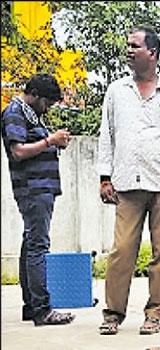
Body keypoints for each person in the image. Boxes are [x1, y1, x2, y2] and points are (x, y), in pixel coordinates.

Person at [97, 27, 160, 335]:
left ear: (152, 54)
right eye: (128, 45)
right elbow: (107, 136)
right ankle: (113, 313)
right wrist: (105, 177)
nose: (129, 50)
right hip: (126, 186)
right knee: (121, 252)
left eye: (135, 46)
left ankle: (155, 314)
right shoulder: (117, 91)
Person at [1, 74, 75, 326]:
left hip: (39, 189)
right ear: (34, 95)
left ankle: (31, 306)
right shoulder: (14, 112)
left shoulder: (30, 115)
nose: (48, 107)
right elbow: (18, 151)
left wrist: (52, 144)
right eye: (47, 102)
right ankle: (42, 310)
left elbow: (32, 146)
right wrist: (49, 140)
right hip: (32, 190)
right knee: (38, 246)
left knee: (30, 243)